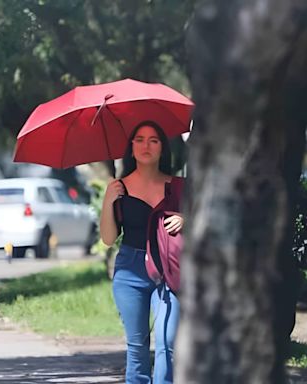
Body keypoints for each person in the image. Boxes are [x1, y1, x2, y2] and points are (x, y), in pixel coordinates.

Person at [100, 121, 184, 384]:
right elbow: (108, 238)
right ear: (131, 148)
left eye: (154, 140)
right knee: (136, 345)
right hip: (130, 271)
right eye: (139, 139)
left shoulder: (179, 187)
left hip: (168, 269)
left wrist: (187, 218)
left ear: (163, 148)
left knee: (167, 343)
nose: (146, 145)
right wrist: (107, 201)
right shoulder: (119, 189)